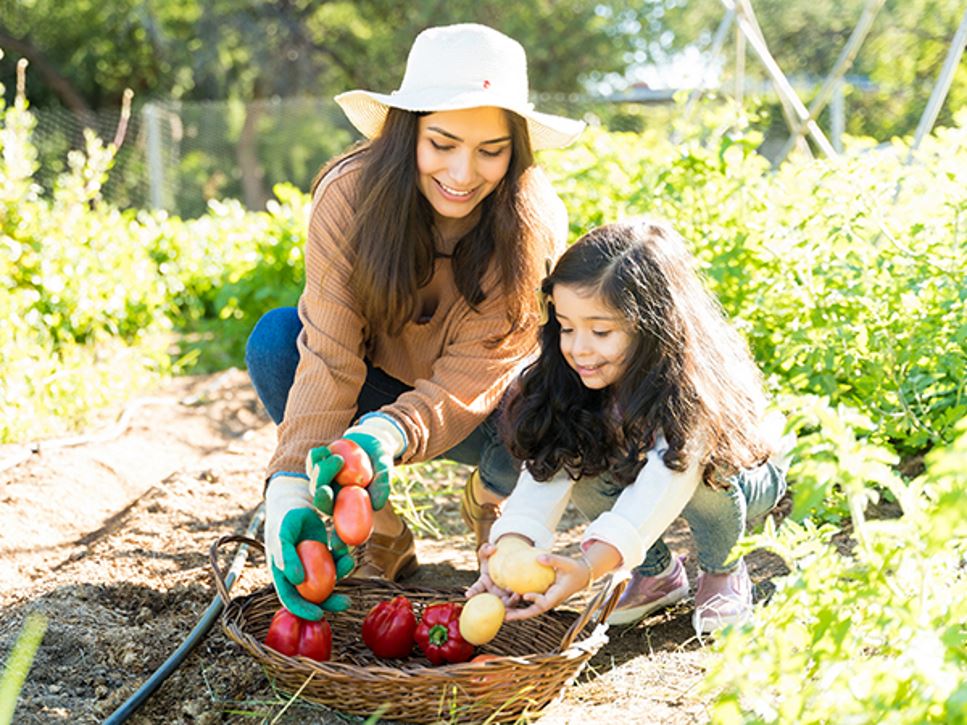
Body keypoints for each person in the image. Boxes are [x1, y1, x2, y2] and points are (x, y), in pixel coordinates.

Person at [245, 23, 585, 621]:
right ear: (409, 133)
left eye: (490, 150)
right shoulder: (349, 197)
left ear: (517, 149)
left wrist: (386, 435)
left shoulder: (532, 223)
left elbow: (481, 367)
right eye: (443, 142)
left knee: (552, 382)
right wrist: (292, 483)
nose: (463, 172)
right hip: (375, 380)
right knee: (277, 343)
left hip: (481, 409)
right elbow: (329, 351)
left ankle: (492, 495)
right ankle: (375, 526)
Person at [467, 218, 791, 636]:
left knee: (708, 475)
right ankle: (657, 574)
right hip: (639, 464)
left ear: (653, 326)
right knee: (580, 460)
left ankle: (722, 569)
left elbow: (667, 479)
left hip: (740, 479)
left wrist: (588, 568)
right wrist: (513, 547)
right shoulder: (571, 380)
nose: (578, 348)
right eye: (566, 327)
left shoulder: (690, 391)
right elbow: (547, 472)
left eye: (601, 331)